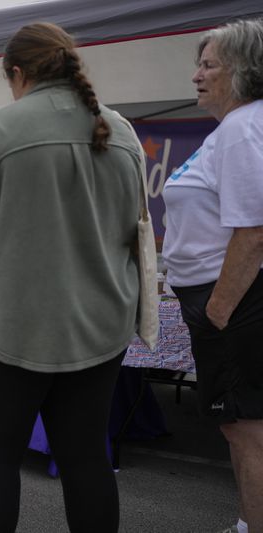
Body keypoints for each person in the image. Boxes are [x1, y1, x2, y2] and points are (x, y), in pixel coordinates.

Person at [0, 23, 144, 532]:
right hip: (100, 324)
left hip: (12, 325)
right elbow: (132, 220)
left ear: (18, 73)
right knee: (88, 459)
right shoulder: (123, 132)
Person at [162, 18, 263, 533]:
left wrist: (217, 310)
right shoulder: (234, 128)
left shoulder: (244, 127)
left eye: (208, 65)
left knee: (247, 430)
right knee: (239, 427)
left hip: (234, 302)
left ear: (242, 70)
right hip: (225, 299)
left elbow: (253, 231)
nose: (197, 75)